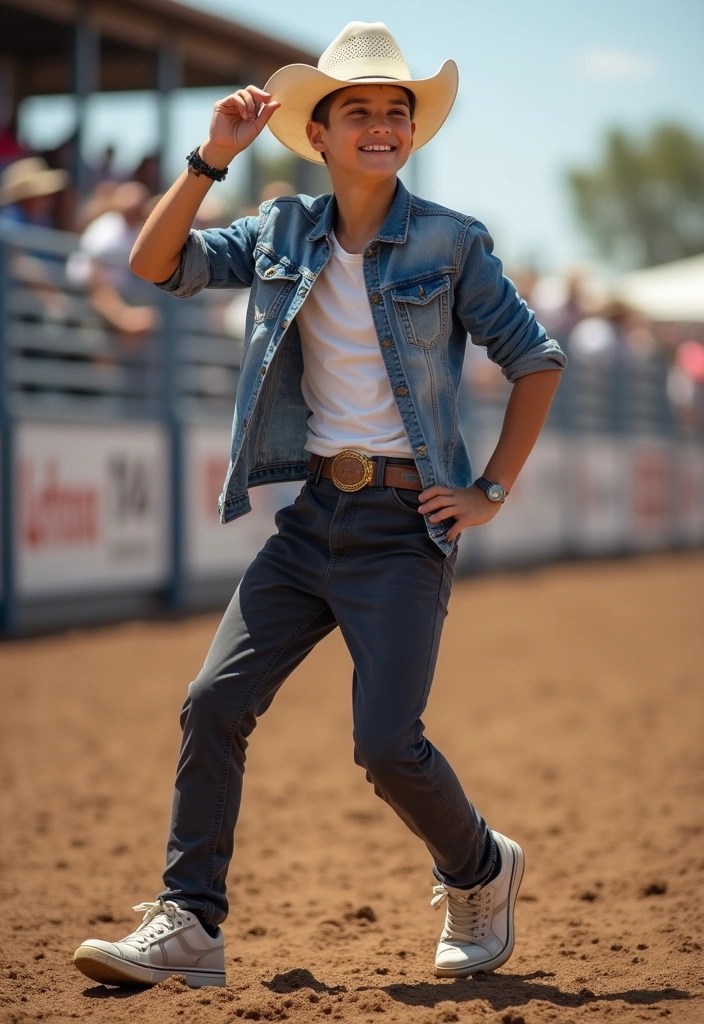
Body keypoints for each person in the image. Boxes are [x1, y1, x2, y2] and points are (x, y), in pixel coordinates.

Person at [73, 21, 566, 989]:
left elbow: (534, 359)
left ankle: (478, 869)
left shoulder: (451, 241)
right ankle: (190, 922)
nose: (380, 125)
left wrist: (489, 490)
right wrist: (208, 158)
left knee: (385, 746)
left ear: (410, 133)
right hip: (309, 521)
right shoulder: (277, 232)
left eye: (396, 112)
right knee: (213, 701)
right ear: (319, 134)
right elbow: (152, 264)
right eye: (359, 112)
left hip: (403, 527)